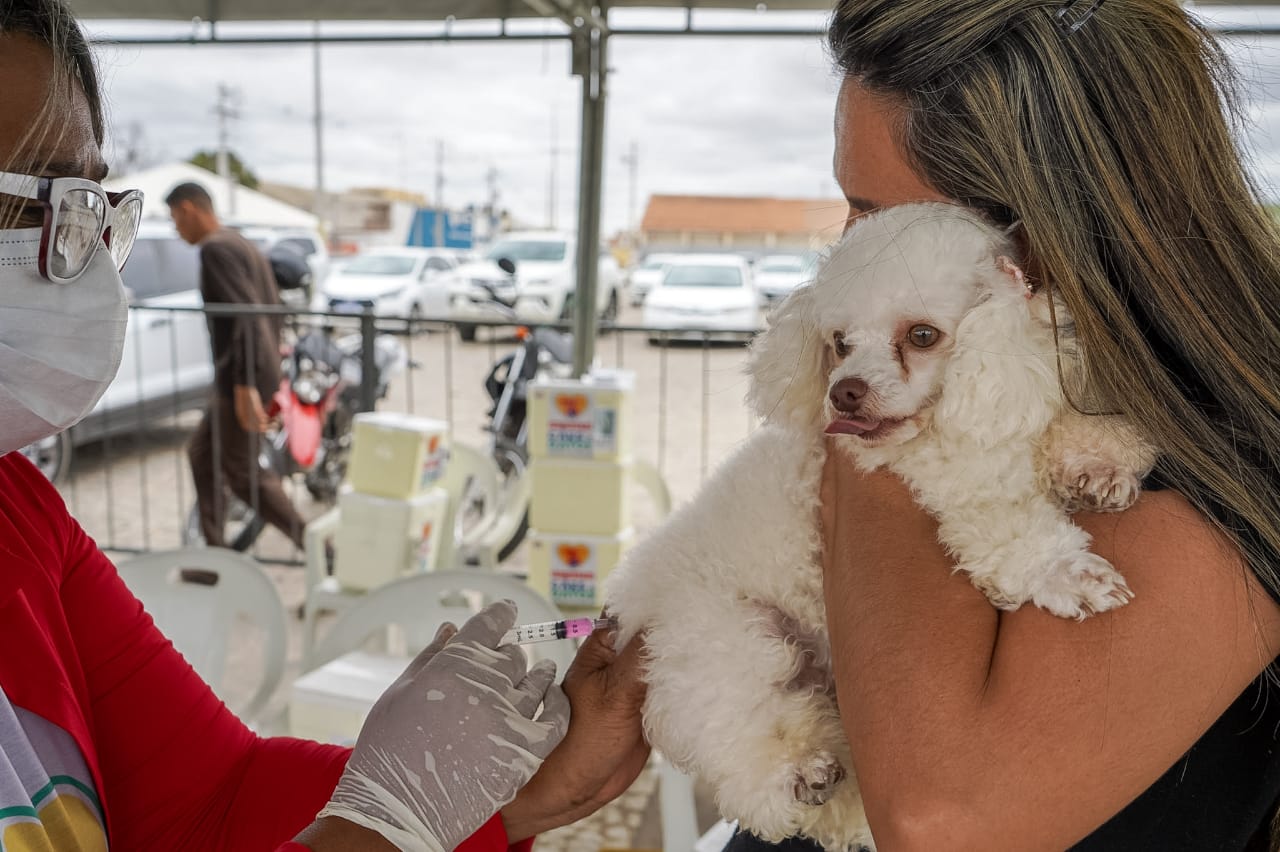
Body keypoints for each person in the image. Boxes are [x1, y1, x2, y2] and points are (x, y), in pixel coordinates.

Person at [0, 3, 648, 850]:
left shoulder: (20, 511)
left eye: (87, 209)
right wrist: (394, 820)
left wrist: (498, 790)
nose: (73, 264)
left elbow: (214, 797)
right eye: (27, 208)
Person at [731, 0, 1280, 850]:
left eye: (879, 221)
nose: (846, 256)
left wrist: (873, 396)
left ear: (1049, 245)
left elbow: (941, 820)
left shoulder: (1222, 482)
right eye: (850, 208)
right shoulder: (989, 395)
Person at [165, 180, 309, 551]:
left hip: (242, 377)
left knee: (244, 474)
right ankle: (216, 556)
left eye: (175, 219)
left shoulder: (216, 249)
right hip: (247, 373)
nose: (176, 229)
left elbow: (243, 317)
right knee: (202, 455)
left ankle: (316, 550)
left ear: (188, 209)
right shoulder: (239, 242)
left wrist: (245, 386)